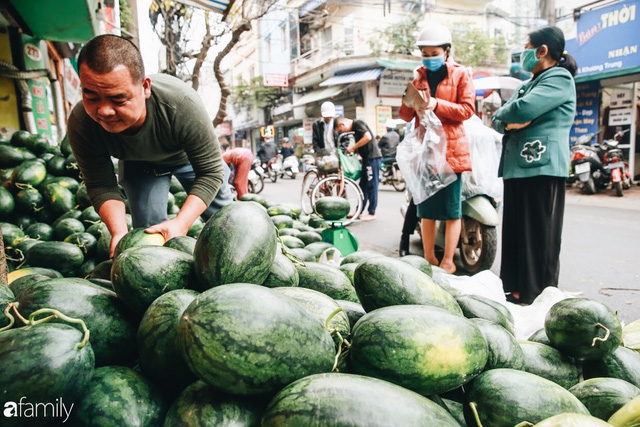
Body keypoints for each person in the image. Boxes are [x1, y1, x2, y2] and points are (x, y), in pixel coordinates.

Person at [67, 34, 232, 258]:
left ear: (145, 87)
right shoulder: (82, 123)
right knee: (148, 235)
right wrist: (119, 234)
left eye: (118, 99)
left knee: (227, 221)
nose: (104, 111)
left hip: (187, 160)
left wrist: (181, 224)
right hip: (139, 165)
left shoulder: (182, 105)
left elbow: (211, 172)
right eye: (91, 97)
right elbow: (100, 184)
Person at [491, 26, 577, 304]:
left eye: (527, 46)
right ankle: (516, 289)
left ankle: (538, 294)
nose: (523, 51)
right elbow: (498, 118)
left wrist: (510, 117)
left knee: (539, 234)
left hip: (542, 166)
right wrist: (507, 119)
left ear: (542, 51)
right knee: (516, 233)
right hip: (518, 167)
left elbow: (522, 109)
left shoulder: (559, 78)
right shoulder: (527, 84)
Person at [399, 22, 475, 273]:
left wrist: (435, 104)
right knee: (427, 210)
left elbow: (467, 110)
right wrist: (410, 99)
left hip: (451, 151)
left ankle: (448, 261)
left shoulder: (461, 74)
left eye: (435, 54)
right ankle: (429, 259)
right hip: (426, 152)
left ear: (446, 52)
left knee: (452, 212)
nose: (430, 58)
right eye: (425, 54)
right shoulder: (418, 76)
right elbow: (406, 116)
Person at [335, 117, 382, 221]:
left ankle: (371, 212)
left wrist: (353, 147)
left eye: (341, 130)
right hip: (366, 159)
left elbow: (367, 137)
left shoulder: (357, 123)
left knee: (371, 186)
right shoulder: (355, 128)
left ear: (342, 124)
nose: (343, 132)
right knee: (362, 187)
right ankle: (359, 211)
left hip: (372, 158)